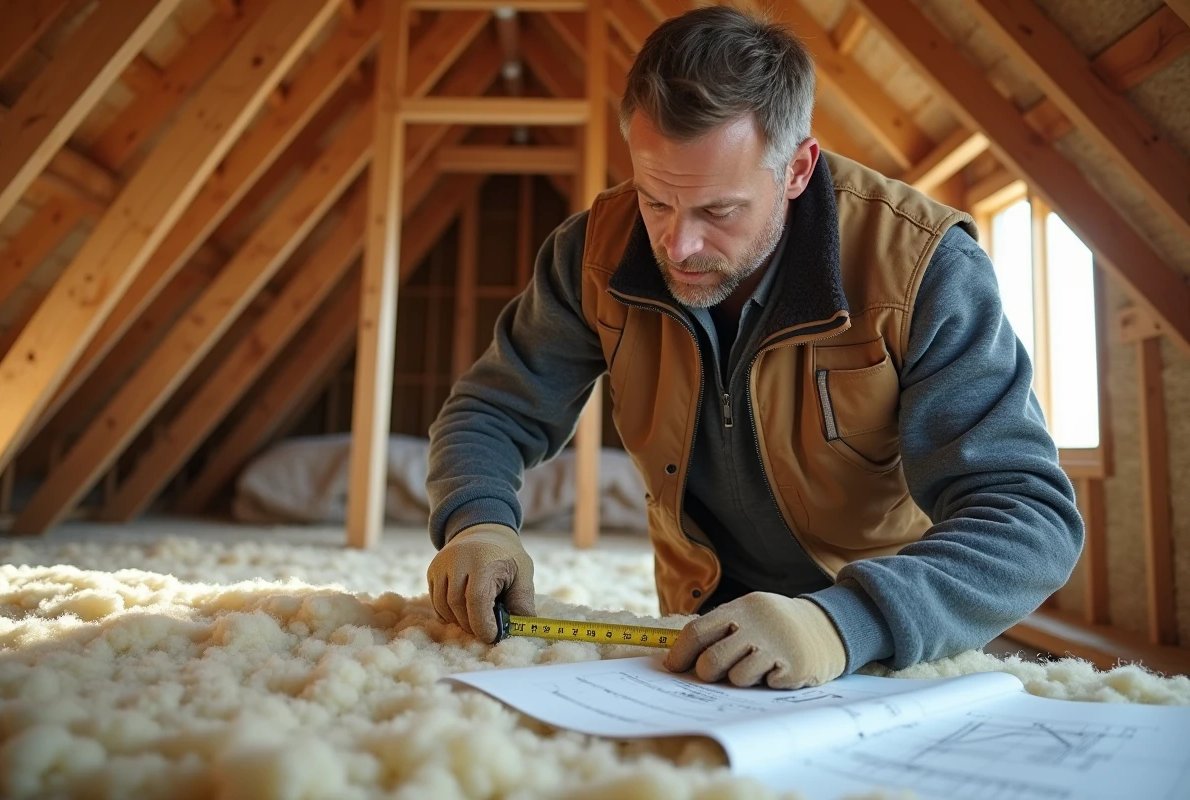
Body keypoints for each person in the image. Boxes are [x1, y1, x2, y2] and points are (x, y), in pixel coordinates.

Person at [424, 5, 1083, 689]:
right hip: (694, 627)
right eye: (656, 201)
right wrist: (478, 524)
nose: (677, 247)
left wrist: (843, 622)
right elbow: (491, 410)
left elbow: (1030, 519)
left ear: (797, 170)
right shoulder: (589, 253)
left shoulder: (924, 267)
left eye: (719, 211)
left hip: (882, 642)